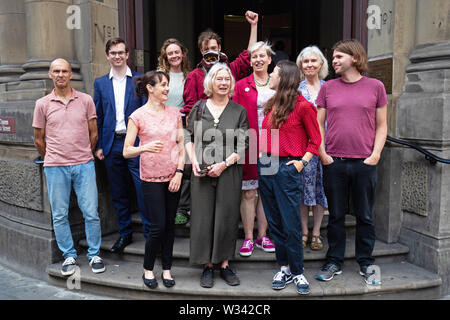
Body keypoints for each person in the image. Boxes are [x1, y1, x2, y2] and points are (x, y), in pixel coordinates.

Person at [315, 39, 388, 285]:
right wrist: (323, 154)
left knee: (365, 216)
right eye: (333, 57)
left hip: (364, 163)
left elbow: (382, 125)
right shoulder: (328, 88)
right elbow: (318, 124)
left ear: (354, 58)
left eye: (338, 57)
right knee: (335, 215)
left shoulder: (375, 86)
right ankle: (334, 260)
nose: (333, 61)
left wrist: (375, 154)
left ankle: (365, 262)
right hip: (334, 161)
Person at [33, 58, 105, 276]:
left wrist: (83, 153)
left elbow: (94, 133)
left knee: (91, 212)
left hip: (84, 164)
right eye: (56, 71)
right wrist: (53, 157)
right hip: (55, 166)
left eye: (64, 71)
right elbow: (38, 139)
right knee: (59, 214)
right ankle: (69, 255)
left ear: (70, 74)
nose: (61, 75)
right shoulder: (42, 104)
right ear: (50, 74)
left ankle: (94, 254)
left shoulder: (85, 100)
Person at [258, 60, 321, 295]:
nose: (270, 76)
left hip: (287, 167)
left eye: (273, 72)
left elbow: (315, 141)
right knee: (274, 222)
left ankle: (297, 271)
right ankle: (283, 267)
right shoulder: (272, 103)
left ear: (284, 78)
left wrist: (301, 163)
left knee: (290, 223)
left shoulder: (303, 106)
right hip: (267, 165)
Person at [185, 63, 249, 288]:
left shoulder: (238, 110)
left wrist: (223, 164)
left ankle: (224, 264)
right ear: (210, 82)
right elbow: (187, 137)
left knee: (227, 216)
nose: (223, 83)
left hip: (229, 171)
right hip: (200, 171)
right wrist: (192, 161)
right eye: (219, 79)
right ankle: (206, 266)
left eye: (227, 79)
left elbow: (243, 144)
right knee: (202, 217)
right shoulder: (199, 107)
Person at [123, 71, 184, 289]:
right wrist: (145, 147)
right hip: (150, 178)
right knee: (157, 226)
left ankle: (166, 269)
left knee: (169, 226)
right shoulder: (137, 116)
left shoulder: (175, 113)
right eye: (163, 85)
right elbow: (126, 151)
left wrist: (179, 172)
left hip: (173, 177)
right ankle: (148, 268)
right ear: (150, 88)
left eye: (168, 85)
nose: (167, 89)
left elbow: (181, 145)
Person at [94, 37, 151, 253]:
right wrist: (99, 145)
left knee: (142, 190)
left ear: (127, 55)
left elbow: (146, 113)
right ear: (108, 56)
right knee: (118, 193)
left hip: (136, 144)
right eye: (113, 53)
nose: (117, 56)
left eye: (121, 52)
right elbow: (98, 116)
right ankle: (125, 234)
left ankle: (149, 235)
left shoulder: (139, 80)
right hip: (112, 145)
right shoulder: (100, 83)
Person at [233, 41, 276, 256]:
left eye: (262, 56)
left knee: (266, 191)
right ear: (250, 61)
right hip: (249, 142)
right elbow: (235, 116)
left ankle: (263, 236)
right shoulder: (241, 85)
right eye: (254, 57)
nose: (258, 60)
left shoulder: (278, 83)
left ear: (269, 59)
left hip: (274, 142)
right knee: (249, 192)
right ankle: (249, 238)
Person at [181, 10, 259, 117]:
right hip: (205, 127)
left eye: (213, 48)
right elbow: (190, 111)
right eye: (206, 49)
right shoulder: (193, 76)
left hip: (229, 122)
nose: (210, 51)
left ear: (219, 48)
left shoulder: (231, 69)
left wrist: (254, 25)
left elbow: (249, 54)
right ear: (201, 51)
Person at [295, 45, 329, 251]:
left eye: (313, 61)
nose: (309, 65)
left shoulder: (329, 87)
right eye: (305, 61)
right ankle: (303, 232)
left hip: (326, 147)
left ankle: (316, 233)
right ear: (300, 65)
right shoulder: (296, 89)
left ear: (320, 64)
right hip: (302, 148)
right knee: (301, 192)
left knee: (320, 191)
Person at [157, 38, 192, 225]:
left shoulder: (190, 75)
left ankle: (182, 208)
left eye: (177, 52)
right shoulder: (160, 76)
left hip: (183, 126)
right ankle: (166, 206)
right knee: (166, 165)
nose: (174, 56)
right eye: (170, 53)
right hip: (162, 126)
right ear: (165, 56)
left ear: (183, 54)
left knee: (185, 167)